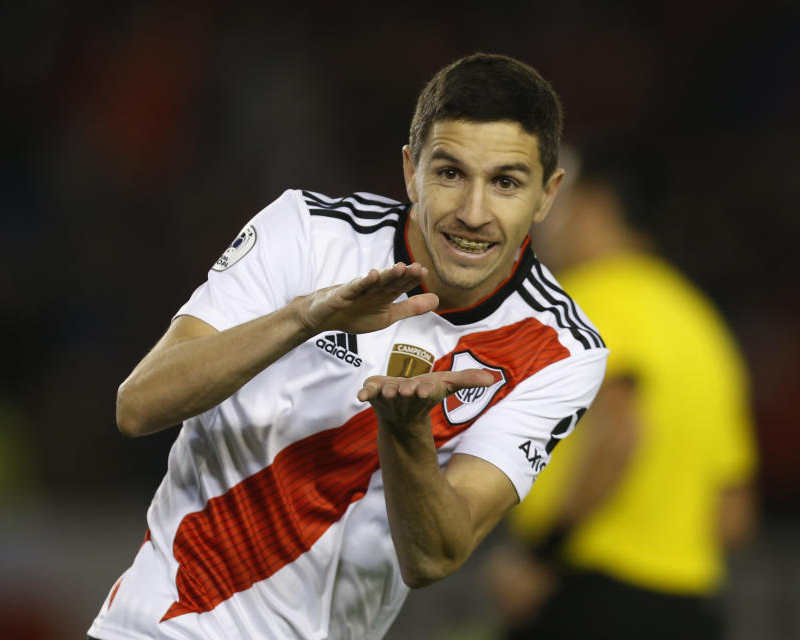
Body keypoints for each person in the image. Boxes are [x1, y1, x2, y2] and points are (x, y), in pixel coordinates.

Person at [88, 53, 608, 640]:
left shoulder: (562, 351)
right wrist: (305, 318)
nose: (473, 213)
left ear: (547, 195)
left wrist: (406, 426)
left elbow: (435, 558)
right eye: (450, 173)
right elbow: (139, 405)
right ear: (411, 170)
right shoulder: (306, 232)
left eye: (506, 183)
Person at [484, 145, 759, 639]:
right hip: (690, 611)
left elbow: (617, 436)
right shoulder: (702, 325)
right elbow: (734, 515)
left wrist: (540, 560)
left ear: (595, 206)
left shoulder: (588, 300)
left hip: (592, 598)